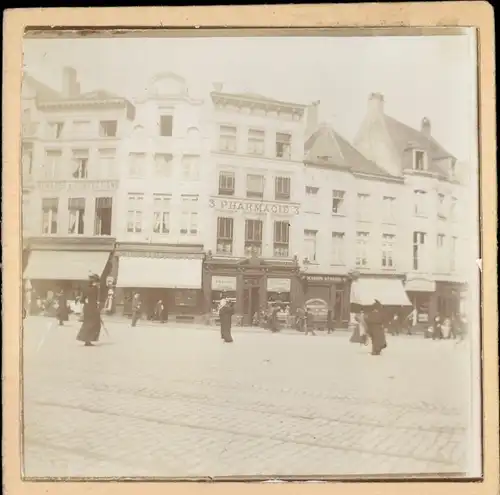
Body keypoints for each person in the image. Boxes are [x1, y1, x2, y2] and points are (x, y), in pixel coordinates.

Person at [76, 274, 102, 347]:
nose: (98, 284)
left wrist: (86, 302)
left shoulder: (86, 289)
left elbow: (81, 300)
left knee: (87, 324)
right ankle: (89, 340)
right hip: (93, 308)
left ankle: (86, 340)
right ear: (95, 282)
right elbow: (96, 300)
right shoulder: (95, 289)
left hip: (87, 308)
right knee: (95, 324)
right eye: (98, 282)